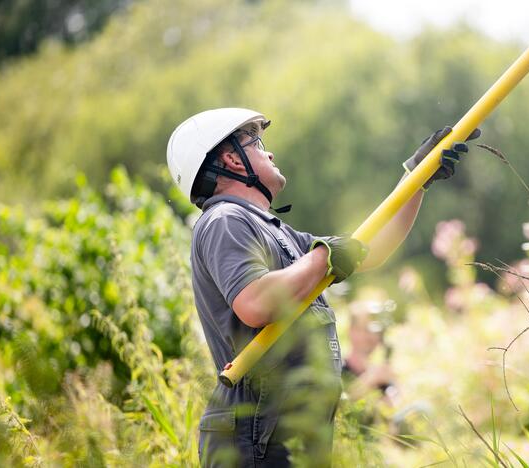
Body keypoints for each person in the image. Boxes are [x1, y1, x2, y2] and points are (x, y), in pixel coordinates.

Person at [166, 107, 479, 467]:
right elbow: (254, 302)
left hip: (287, 433)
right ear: (232, 159)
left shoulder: (277, 232)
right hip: (253, 437)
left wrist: (416, 179)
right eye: (257, 141)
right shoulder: (225, 220)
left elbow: (370, 250)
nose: (269, 152)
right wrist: (321, 257)